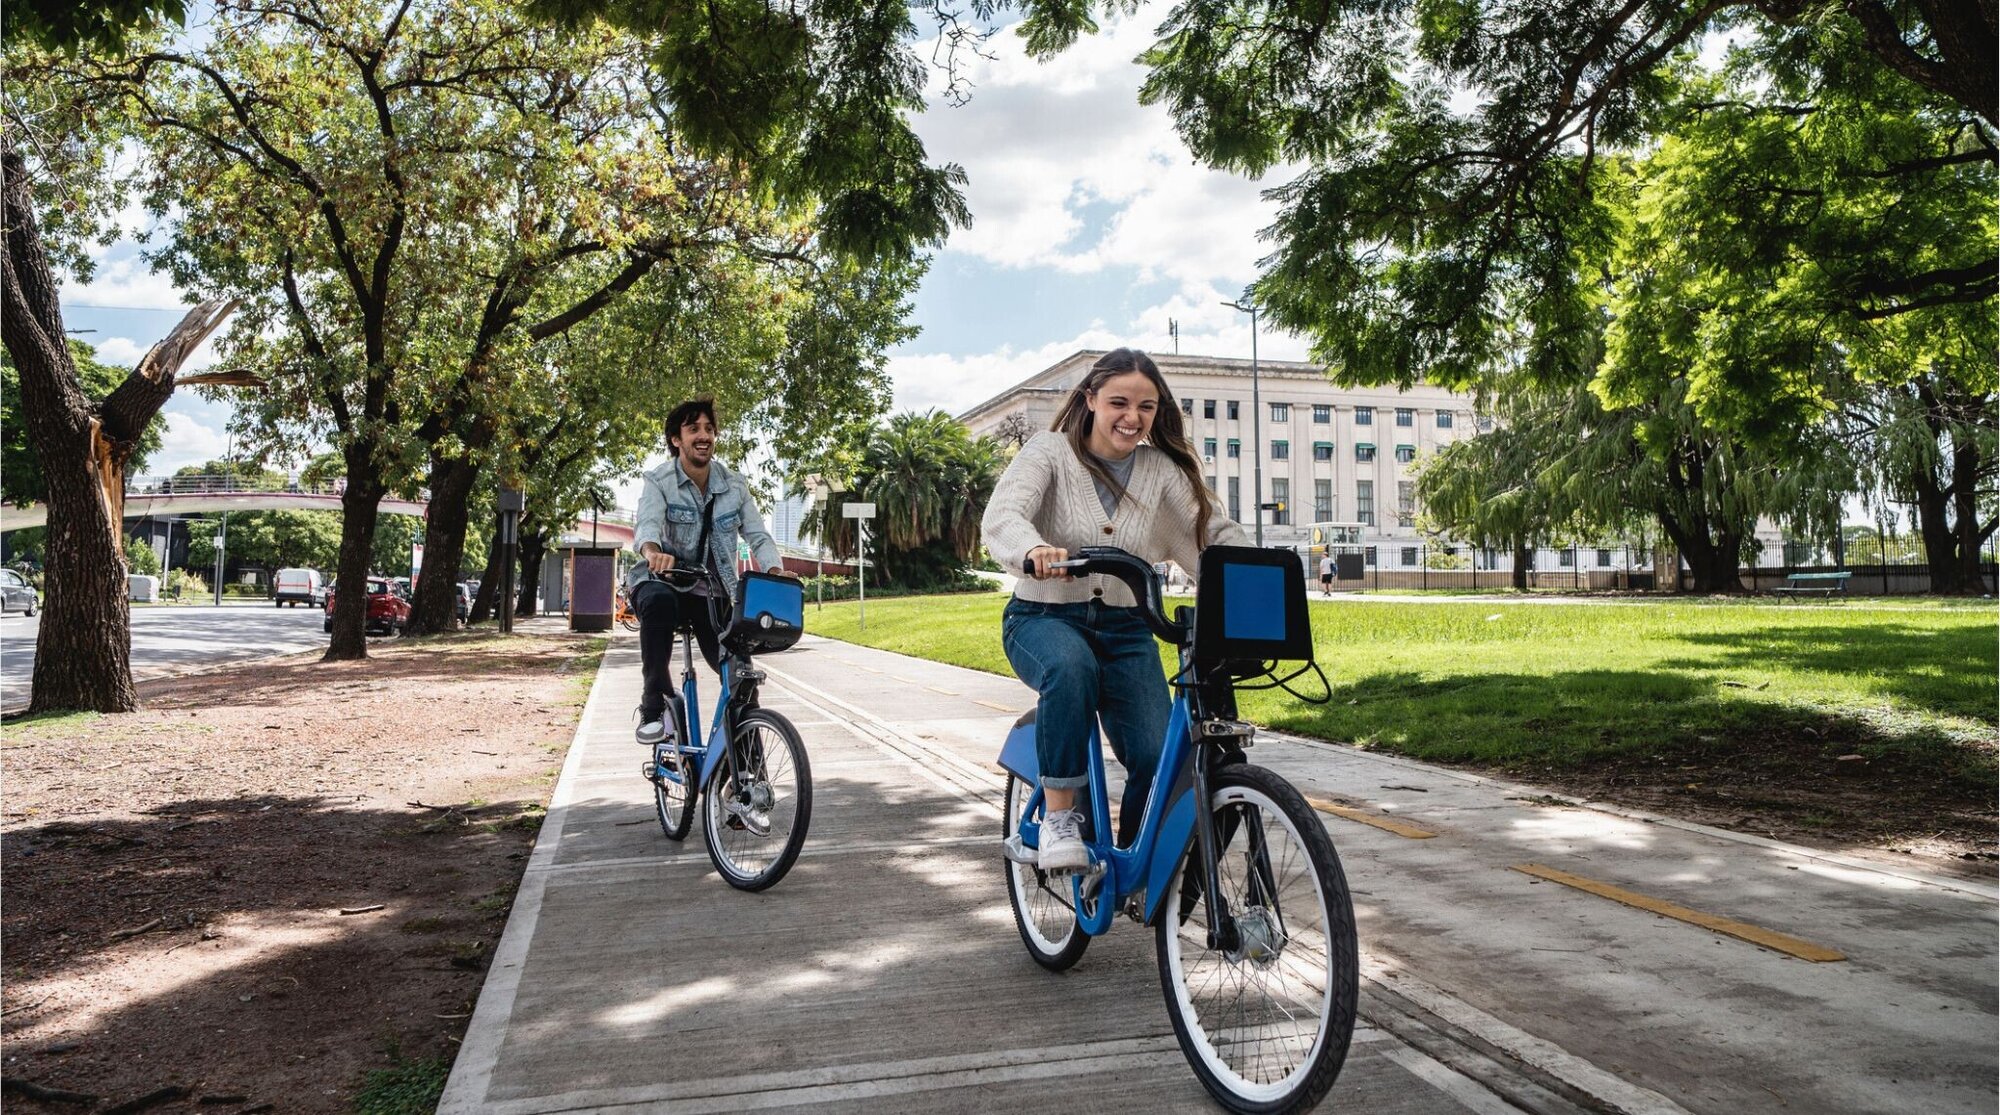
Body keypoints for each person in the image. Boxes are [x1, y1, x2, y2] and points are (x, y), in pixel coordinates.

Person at [982, 348, 1247, 872]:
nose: (1133, 417)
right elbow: (1005, 514)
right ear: (1090, 400)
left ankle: (1129, 867)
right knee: (1070, 668)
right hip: (1043, 617)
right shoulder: (1050, 451)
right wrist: (1034, 549)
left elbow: (1208, 531)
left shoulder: (1160, 471)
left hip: (1127, 629)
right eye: (1119, 403)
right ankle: (1059, 818)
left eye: (1146, 407)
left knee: (1157, 754)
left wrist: (1255, 570)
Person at [628, 398, 795, 745]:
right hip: (664, 583)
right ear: (677, 439)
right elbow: (647, 524)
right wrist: (653, 552)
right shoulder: (659, 480)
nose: (703, 436)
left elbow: (757, 535)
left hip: (712, 593)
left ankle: (748, 767)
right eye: (693, 429)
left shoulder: (734, 485)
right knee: (657, 603)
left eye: (709, 429)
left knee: (740, 678)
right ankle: (653, 705)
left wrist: (775, 569)